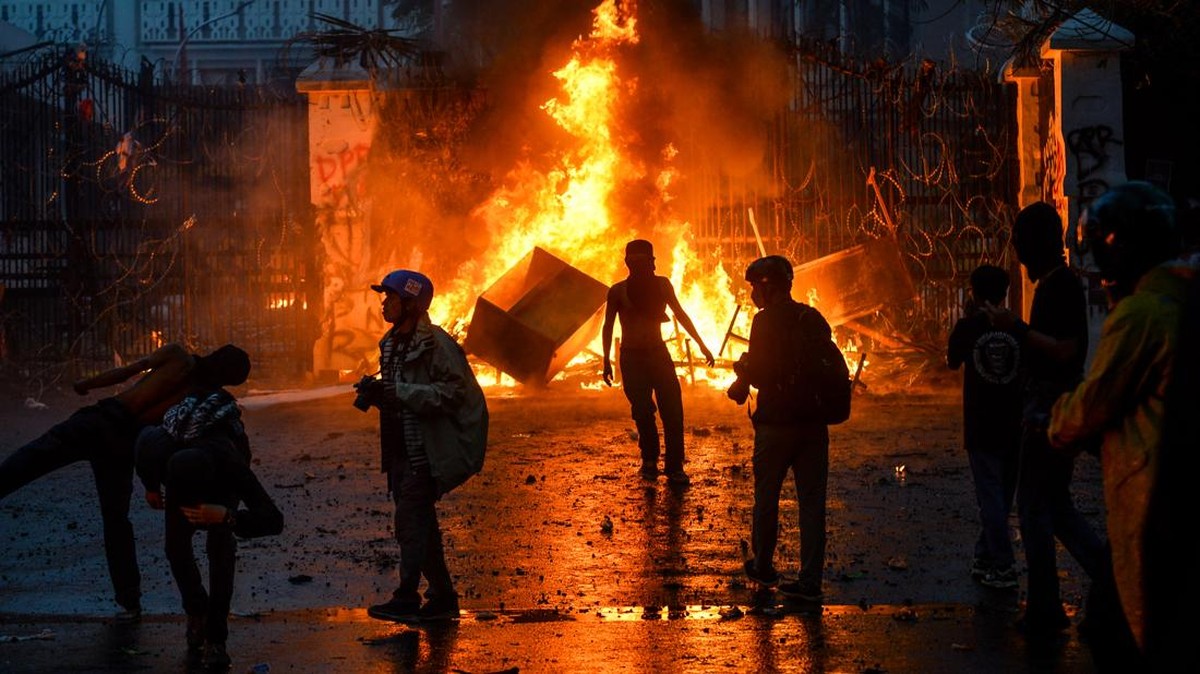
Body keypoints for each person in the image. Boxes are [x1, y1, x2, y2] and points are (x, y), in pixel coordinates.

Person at [0, 342, 253, 621]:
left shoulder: (177, 357)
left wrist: (86, 383)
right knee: (116, 519)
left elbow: (126, 372)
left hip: (99, 421)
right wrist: (152, 486)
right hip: (124, 446)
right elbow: (167, 440)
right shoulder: (201, 401)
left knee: (27, 461)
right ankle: (130, 601)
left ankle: (130, 599)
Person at [1048, 181, 1195, 659]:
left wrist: (1056, 417)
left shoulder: (1142, 315)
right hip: (1168, 495)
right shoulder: (1182, 300)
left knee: (1126, 638)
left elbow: (1085, 413)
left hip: (1152, 506)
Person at [983, 201, 1108, 638]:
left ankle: (1045, 606)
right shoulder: (1057, 284)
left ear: (1036, 244)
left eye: (1019, 242)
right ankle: (1106, 581)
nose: (1016, 252)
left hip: (1050, 413)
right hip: (1047, 408)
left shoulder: (1060, 287)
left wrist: (1013, 327)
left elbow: (1063, 351)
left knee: (1036, 509)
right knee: (1055, 506)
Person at [359, 269, 489, 624]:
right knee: (422, 526)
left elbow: (453, 394)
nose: (385, 303)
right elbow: (402, 395)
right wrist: (377, 395)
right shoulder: (390, 343)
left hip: (426, 452)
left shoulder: (436, 344)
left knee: (409, 524)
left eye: (392, 297)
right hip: (400, 450)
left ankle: (406, 597)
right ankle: (443, 597)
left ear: (412, 304)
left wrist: (397, 392)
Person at [136, 382, 284, 669]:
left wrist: (227, 517)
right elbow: (142, 449)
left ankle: (216, 638)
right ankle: (196, 612)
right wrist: (151, 487)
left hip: (221, 480)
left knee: (221, 553)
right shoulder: (159, 446)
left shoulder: (232, 465)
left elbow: (273, 519)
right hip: (182, 464)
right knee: (175, 547)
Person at [725, 255, 830, 605]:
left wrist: (743, 371)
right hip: (814, 424)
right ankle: (810, 581)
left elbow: (763, 370)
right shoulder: (812, 318)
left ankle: (764, 566)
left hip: (776, 424)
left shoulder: (764, 321)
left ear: (767, 286)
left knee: (767, 497)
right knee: (812, 503)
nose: (753, 292)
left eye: (756, 285)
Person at [601, 239, 715, 486]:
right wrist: (606, 361)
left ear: (650, 263)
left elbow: (681, 314)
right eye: (632, 262)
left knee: (672, 410)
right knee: (642, 411)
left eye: (640, 262)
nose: (636, 267)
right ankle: (649, 461)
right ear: (627, 263)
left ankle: (674, 466)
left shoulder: (662, 286)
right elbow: (608, 326)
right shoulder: (618, 291)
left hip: (658, 354)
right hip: (632, 358)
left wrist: (702, 344)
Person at [947, 264, 1022, 589]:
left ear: (974, 294)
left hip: (981, 426)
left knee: (991, 497)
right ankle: (984, 556)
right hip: (1014, 424)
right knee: (1001, 496)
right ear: (1004, 293)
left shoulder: (968, 328)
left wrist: (967, 320)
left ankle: (1003, 566)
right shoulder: (1018, 328)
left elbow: (951, 360)